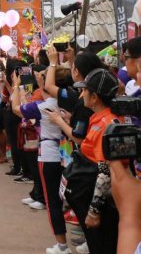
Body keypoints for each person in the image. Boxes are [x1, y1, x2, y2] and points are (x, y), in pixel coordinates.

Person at [62, 68, 122, 254]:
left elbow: (105, 169)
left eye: (84, 90)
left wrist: (94, 211)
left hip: (103, 205)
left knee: (102, 246)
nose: (82, 94)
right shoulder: (98, 119)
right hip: (91, 197)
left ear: (95, 97)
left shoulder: (108, 124)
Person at [11, 65, 68, 253]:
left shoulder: (44, 107)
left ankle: (62, 245)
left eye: (43, 78)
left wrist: (17, 86)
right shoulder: (73, 102)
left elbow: (16, 109)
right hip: (69, 155)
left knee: (53, 202)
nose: (40, 80)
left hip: (50, 154)